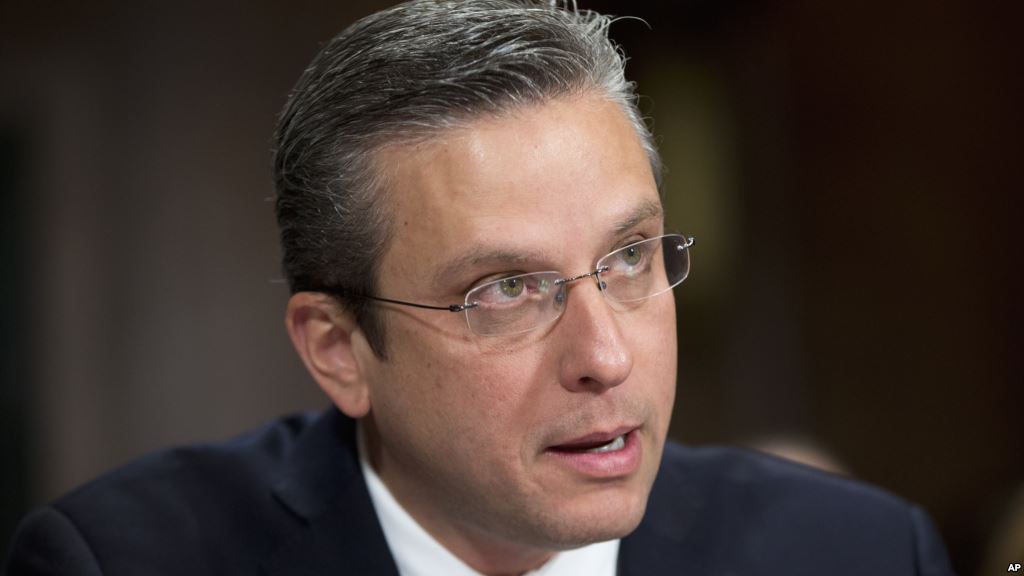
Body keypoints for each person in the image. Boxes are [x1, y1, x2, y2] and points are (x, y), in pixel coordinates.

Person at [4, 1, 956, 574]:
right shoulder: (123, 563)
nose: (606, 356)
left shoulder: (858, 554)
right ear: (340, 350)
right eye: (505, 291)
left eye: (629, 258)